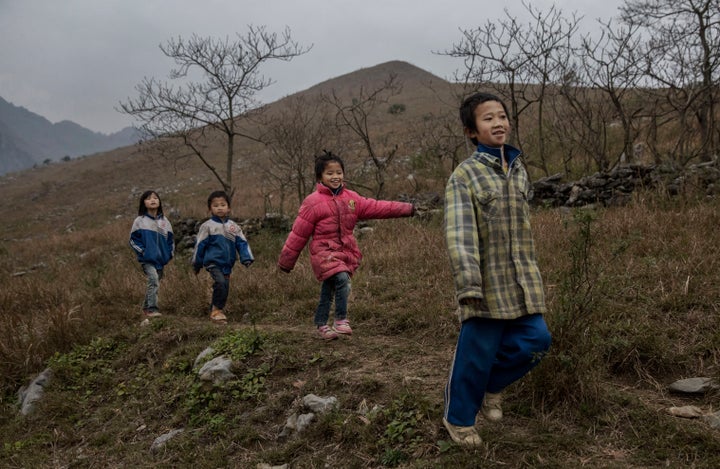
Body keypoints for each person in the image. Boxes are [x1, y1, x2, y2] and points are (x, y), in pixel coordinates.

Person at [442, 92, 552, 446]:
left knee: (536, 341)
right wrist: (469, 283)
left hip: (519, 280)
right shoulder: (465, 176)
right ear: (471, 131)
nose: (498, 123)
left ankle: (495, 384)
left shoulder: (518, 169)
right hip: (484, 283)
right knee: (476, 354)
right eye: (488, 118)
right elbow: (459, 234)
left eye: (501, 116)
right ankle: (458, 420)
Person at [278, 151, 415, 340]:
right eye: (330, 173)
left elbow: (378, 207)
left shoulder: (352, 199)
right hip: (324, 253)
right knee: (342, 279)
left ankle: (321, 324)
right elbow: (298, 234)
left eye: (339, 172)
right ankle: (340, 320)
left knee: (329, 287)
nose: (335, 177)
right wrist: (286, 262)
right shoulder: (312, 203)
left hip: (345, 251)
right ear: (320, 177)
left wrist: (407, 208)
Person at [191, 190, 254, 324]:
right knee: (219, 282)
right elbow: (200, 246)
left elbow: (242, 243)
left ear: (229, 208)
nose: (220, 208)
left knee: (225, 287)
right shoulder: (207, 226)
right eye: (216, 205)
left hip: (228, 264)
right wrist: (197, 263)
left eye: (223, 204)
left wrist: (246, 258)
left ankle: (216, 309)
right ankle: (216, 311)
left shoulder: (234, 227)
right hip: (213, 262)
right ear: (210, 209)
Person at [129, 190, 174, 318]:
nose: (153, 200)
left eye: (155, 198)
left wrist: (169, 254)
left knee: (155, 282)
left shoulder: (165, 221)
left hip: (161, 259)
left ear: (159, 202)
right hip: (147, 259)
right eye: (149, 198)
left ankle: (145, 307)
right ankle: (152, 309)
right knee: (153, 280)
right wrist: (143, 251)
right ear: (144, 203)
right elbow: (133, 240)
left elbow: (171, 240)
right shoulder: (140, 221)